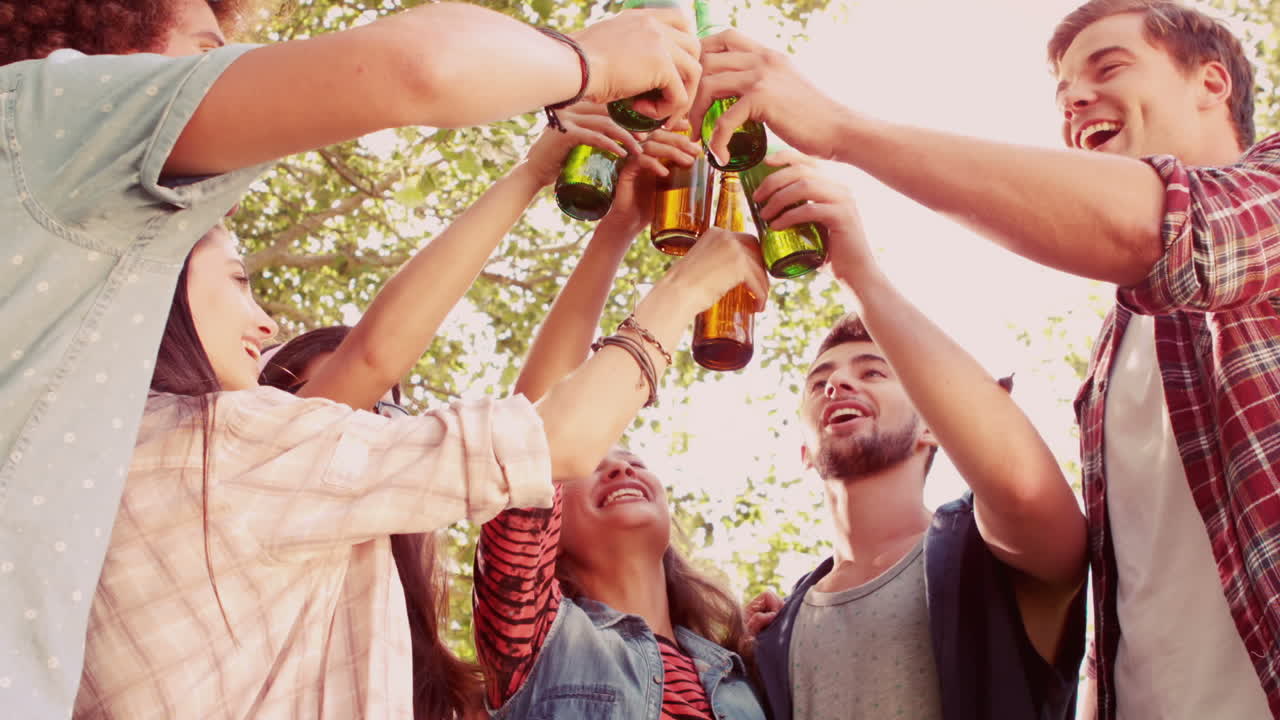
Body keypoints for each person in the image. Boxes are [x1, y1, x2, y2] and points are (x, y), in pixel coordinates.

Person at [0, 1, 700, 714]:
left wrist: (536, 175)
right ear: (108, 52)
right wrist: (587, 63)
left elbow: (371, 359)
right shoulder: (213, 449)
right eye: (208, 52)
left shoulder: (115, 432)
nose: (223, 78)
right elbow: (416, 69)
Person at [692, 1, 1280, 716]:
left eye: (1109, 66)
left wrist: (841, 130)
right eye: (1063, 92)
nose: (1075, 100)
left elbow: (1157, 226)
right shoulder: (1113, 355)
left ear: (1211, 83)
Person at [250, 105, 684, 719]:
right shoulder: (537, 635)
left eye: (389, 413)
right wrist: (682, 284)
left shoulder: (738, 661)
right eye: (347, 409)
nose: (379, 428)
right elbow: (534, 431)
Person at [732, 154, 1085, 719]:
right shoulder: (778, 628)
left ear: (932, 426)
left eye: (873, 372)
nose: (839, 382)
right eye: (820, 380)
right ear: (802, 452)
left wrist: (859, 275)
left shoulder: (987, 558)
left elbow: (1023, 491)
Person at [471, 123, 769, 720]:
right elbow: (531, 437)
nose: (622, 462)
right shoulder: (533, 637)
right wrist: (618, 230)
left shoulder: (741, 674)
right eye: (597, 459)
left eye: (632, 457)